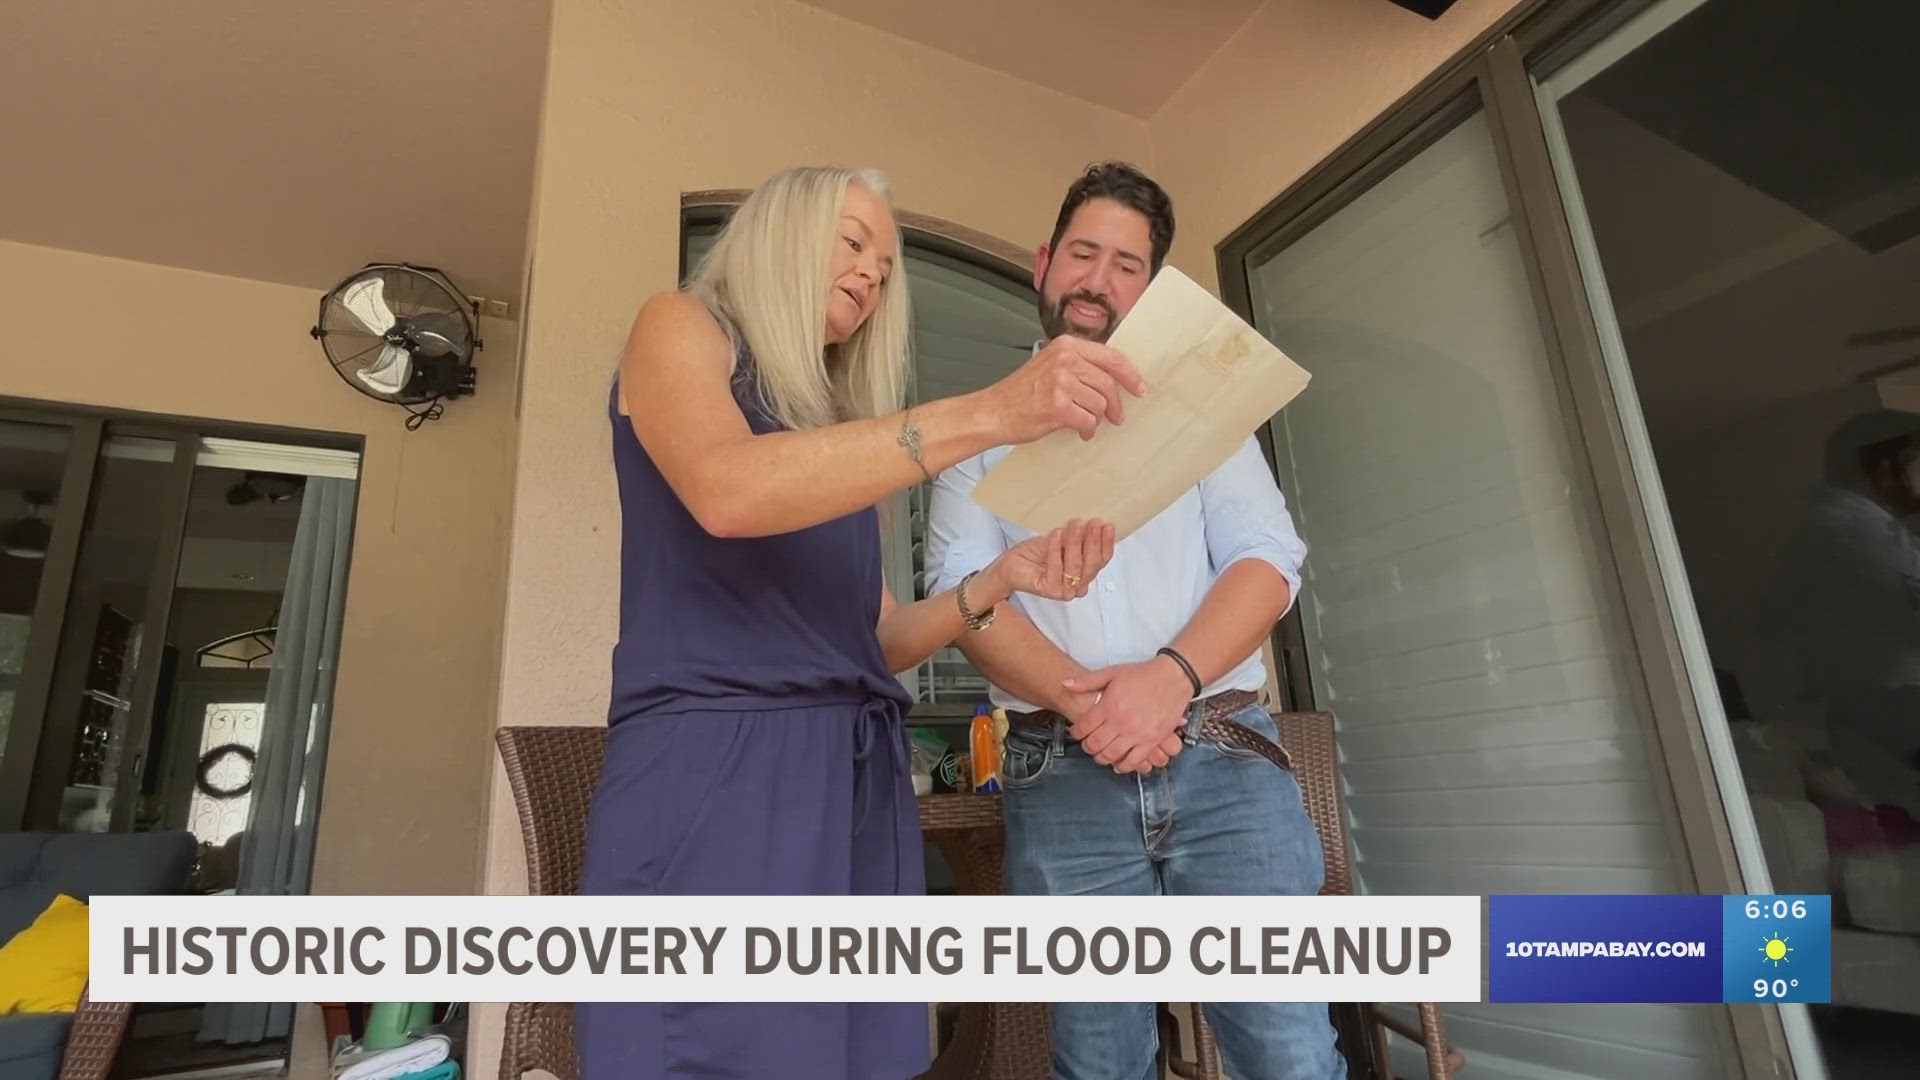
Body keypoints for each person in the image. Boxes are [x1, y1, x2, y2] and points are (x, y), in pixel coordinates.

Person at [578, 164, 1141, 1080]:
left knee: (852, 1056)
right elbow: (725, 491)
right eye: (852, 244)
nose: (871, 276)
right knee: (718, 1048)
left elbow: (873, 641)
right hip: (722, 767)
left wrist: (999, 578)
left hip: (852, 775)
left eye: (885, 268)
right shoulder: (682, 327)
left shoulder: (831, 429)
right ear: (780, 234)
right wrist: (991, 411)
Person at [926, 162, 1344, 1080]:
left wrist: (1166, 684)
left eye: (1127, 264)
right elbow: (963, 597)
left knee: (1290, 1054)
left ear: (1150, 291)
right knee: (1096, 1057)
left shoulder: (1205, 415)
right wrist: (1099, 713)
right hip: (1061, 776)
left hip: (1224, 758)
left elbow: (1269, 564)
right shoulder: (978, 432)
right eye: (1084, 253)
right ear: (1044, 265)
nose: (1099, 280)